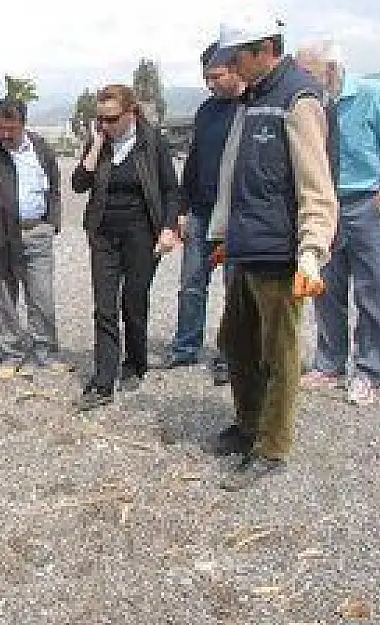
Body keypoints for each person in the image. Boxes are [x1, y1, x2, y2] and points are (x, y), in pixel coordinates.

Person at [205, 12, 339, 491]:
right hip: (247, 248)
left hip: (282, 254)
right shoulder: (255, 96)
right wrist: (222, 235)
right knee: (236, 343)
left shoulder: (297, 99)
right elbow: (235, 175)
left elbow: (317, 186)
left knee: (278, 354)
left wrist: (311, 251)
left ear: (263, 49)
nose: (230, 64)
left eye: (235, 56)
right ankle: (248, 426)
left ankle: (273, 446)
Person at [70, 84, 182, 411]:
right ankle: (103, 380)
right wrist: (95, 146)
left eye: (112, 119)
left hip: (141, 234)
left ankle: (135, 362)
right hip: (104, 234)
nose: (105, 125)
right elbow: (78, 184)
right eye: (99, 119)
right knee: (104, 307)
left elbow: (171, 190)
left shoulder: (151, 143)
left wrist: (168, 228)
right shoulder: (100, 143)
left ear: (131, 114)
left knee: (133, 302)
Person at [295, 40, 380, 406]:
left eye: (310, 73)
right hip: (326, 204)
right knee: (327, 289)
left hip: (366, 202)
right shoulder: (311, 103)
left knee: (373, 291)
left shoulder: (373, 95)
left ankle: (370, 371)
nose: (305, 80)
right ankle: (329, 363)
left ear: (330, 69)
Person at [153, 43, 247, 385]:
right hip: (201, 214)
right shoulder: (206, 111)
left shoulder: (250, 108)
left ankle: (230, 355)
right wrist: (181, 209)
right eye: (206, 77)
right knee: (191, 285)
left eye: (216, 76)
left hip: (238, 218)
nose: (210, 84)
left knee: (235, 290)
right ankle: (185, 346)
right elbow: (192, 164)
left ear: (235, 69)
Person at [0, 97, 65, 380]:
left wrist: (51, 223)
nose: (5, 134)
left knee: (42, 298)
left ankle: (45, 351)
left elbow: (55, 187)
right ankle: (11, 353)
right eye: (1, 128)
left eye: (12, 128)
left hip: (37, 234)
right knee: (5, 300)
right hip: (0, 237)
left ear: (24, 125)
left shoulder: (42, 149)